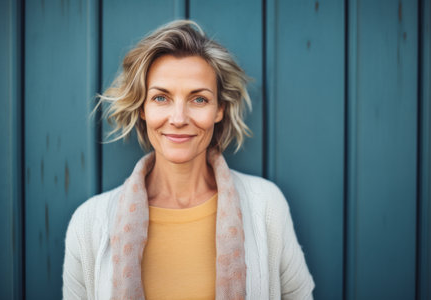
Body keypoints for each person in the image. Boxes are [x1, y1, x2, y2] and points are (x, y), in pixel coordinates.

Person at [62, 20, 314, 300]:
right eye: (161, 98)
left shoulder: (266, 205)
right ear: (142, 108)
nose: (179, 119)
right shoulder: (89, 223)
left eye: (199, 100)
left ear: (219, 109)